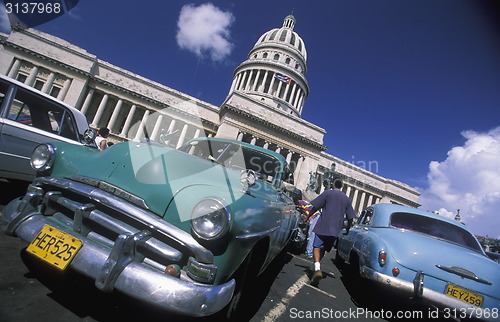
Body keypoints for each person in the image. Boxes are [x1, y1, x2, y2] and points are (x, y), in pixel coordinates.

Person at [305, 178, 356, 286]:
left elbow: (315, 207)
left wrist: (307, 217)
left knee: (316, 247)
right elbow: (350, 217)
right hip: (335, 230)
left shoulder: (327, 193)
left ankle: (317, 268)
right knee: (323, 249)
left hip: (323, 225)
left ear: (333, 184)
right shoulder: (346, 199)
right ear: (341, 186)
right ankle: (314, 267)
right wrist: (347, 229)